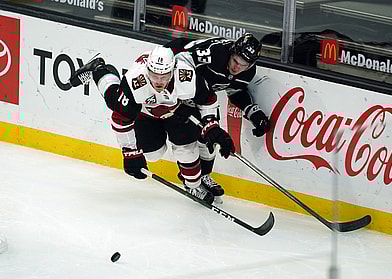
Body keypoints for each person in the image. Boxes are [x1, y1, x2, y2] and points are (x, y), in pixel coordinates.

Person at [68, 46, 235, 205]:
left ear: (173, 70)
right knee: (152, 153)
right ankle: (99, 70)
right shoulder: (135, 81)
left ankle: (193, 185)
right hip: (145, 112)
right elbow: (120, 120)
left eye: (164, 76)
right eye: (154, 75)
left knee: (187, 148)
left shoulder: (187, 76)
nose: (159, 81)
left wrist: (211, 125)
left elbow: (208, 99)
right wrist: (130, 153)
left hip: (177, 110)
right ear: (147, 70)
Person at [164, 33, 271, 203]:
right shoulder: (215, 52)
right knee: (187, 137)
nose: (237, 68)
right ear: (232, 52)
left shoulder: (247, 72)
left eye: (244, 65)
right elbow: (180, 60)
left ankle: (203, 175)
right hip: (181, 87)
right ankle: (191, 182)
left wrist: (253, 112)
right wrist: (180, 98)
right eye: (235, 61)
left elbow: (236, 92)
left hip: (206, 97)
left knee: (211, 137)